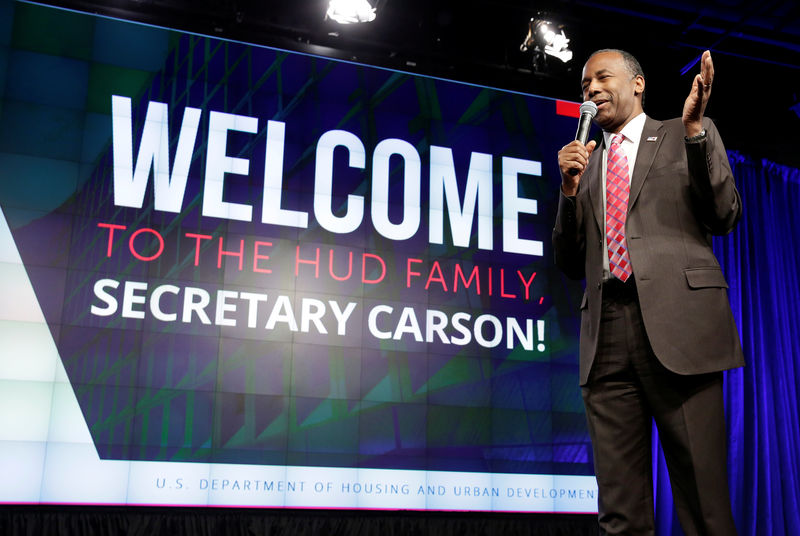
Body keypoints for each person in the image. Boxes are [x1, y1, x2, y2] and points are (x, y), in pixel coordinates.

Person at [553, 49, 744, 535]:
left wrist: (697, 132)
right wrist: (569, 192)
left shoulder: (685, 133)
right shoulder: (587, 166)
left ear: (637, 84)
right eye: (584, 84)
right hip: (607, 337)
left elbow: (724, 214)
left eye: (601, 77)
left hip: (680, 329)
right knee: (619, 512)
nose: (590, 89)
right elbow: (570, 263)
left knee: (704, 502)